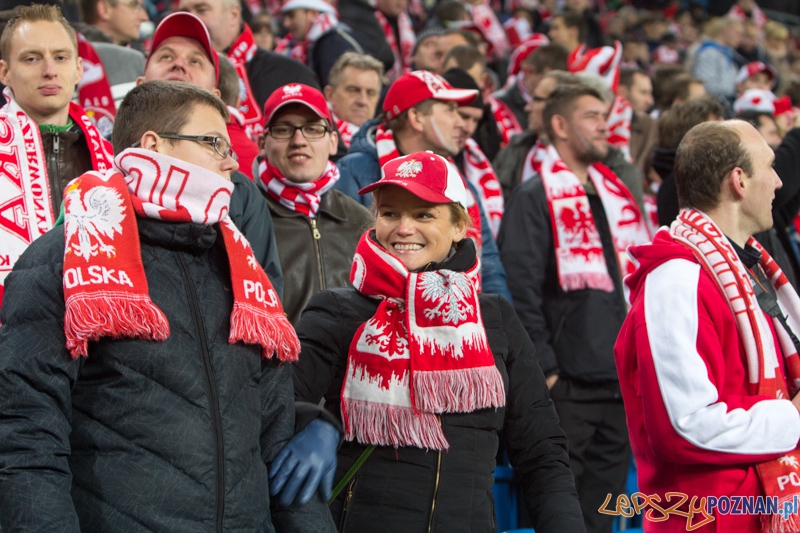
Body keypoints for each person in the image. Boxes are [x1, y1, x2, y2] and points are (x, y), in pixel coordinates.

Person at [0, 80, 335, 533]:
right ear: (153, 146)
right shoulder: (62, 259)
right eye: (213, 142)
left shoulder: (243, 269)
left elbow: (274, 443)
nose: (232, 161)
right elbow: (25, 439)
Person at [292, 150, 586, 533]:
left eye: (424, 215)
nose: (403, 228)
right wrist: (315, 421)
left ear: (459, 226)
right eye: (391, 213)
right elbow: (278, 403)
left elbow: (542, 451)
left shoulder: (495, 318)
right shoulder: (338, 310)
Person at [615, 119, 800, 532]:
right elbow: (685, 426)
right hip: (709, 518)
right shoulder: (676, 279)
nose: (778, 182)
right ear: (738, 180)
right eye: (769, 167)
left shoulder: (743, 268)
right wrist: (792, 417)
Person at [498, 84, 651, 533]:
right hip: (566, 387)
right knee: (554, 515)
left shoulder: (615, 194)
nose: (604, 124)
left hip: (620, 384)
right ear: (560, 125)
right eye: (590, 115)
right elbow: (519, 287)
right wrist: (547, 368)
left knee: (600, 517)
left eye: (605, 114)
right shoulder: (533, 196)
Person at [137, 10, 284, 295]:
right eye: (166, 57)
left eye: (195, 61)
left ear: (216, 99)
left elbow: (266, 298)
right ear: (140, 86)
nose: (179, 64)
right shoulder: (98, 163)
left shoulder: (240, 191)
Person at [335, 70, 511, 300]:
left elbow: (490, 268)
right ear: (417, 118)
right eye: (450, 111)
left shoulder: (460, 183)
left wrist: (495, 326)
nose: (462, 124)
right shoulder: (352, 172)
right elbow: (341, 264)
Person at [0, 4, 114, 304]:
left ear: (78, 68)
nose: (49, 70)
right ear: (5, 72)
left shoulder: (113, 161)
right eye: (31, 58)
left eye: (60, 57)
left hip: (96, 331)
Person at [257, 83, 372, 324]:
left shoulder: (362, 221)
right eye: (283, 130)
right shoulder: (244, 218)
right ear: (262, 143)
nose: (298, 140)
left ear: (332, 142)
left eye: (312, 129)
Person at [180, 0, 319, 140]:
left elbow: (325, 146)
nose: (190, 18)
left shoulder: (291, 74)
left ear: (234, 15)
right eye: (184, 12)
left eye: (202, 10)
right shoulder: (175, 75)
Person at [276, 0, 362, 87]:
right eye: (285, 17)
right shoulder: (317, 43)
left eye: (291, 15)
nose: (286, 23)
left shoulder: (333, 44)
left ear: (313, 13)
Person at [324, 52, 384, 150]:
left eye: (370, 93)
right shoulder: (315, 136)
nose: (363, 101)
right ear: (330, 95)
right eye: (353, 90)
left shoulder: (387, 142)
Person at [691, 17, 744, 102]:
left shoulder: (728, 53)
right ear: (725, 31)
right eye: (738, 33)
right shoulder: (708, 52)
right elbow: (705, 85)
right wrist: (736, 90)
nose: (740, 39)